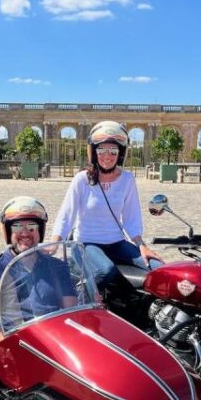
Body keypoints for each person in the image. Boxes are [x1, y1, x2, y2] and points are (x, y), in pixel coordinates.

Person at [51, 121, 163, 288]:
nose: (107, 156)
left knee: (159, 269)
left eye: (113, 151)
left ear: (121, 154)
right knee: (105, 271)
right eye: (101, 150)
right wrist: (53, 245)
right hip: (86, 243)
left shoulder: (127, 180)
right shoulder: (82, 179)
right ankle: (78, 294)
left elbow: (131, 218)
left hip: (116, 243)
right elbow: (67, 214)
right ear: (94, 153)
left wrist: (142, 246)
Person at [0, 196, 77, 343]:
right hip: (15, 345)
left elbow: (71, 311)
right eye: (17, 227)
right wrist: (2, 339)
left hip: (53, 340)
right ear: (7, 232)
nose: (25, 233)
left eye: (32, 227)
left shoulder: (57, 266)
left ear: (40, 230)